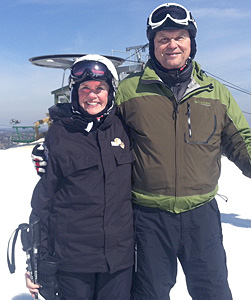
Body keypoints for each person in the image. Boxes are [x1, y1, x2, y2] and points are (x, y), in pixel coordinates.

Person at [115, 3, 251, 300]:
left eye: (180, 37)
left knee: (213, 292)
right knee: (149, 294)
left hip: (201, 216)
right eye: (163, 39)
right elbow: (102, 140)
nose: (172, 45)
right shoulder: (129, 91)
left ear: (192, 43)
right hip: (148, 218)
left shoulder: (215, 92)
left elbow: (241, 141)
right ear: (152, 46)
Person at [26, 54, 134, 300]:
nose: (92, 94)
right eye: (85, 88)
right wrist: (36, 257)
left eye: (100, 88)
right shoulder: (59, 134)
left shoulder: (125, 129)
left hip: (118, 260)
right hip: (72, 261)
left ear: (110, 93)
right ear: (75, 93)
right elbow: (43, 202)